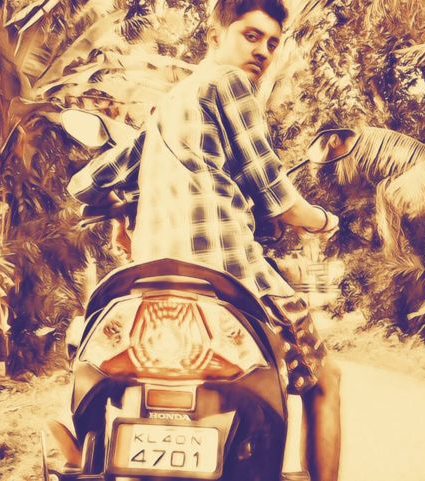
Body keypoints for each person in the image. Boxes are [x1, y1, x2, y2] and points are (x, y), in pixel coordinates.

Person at [67, 1, 341, 480]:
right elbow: (278, 197)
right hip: (230, 279)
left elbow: (85, 185)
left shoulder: (164, 111)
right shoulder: (228, 82)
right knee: (325, 382)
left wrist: (122, 209)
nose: (263, 51)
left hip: (149, 287)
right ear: (215, 38)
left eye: (272, 43)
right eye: (250, 35)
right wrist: (323, 221)